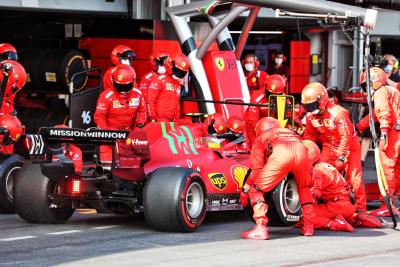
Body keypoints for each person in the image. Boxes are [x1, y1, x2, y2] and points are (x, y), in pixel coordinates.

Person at [240, 117, 315, 239]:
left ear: (260, 129)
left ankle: (260, 227)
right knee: (304, 188)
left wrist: (245, 190)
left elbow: (256, 171)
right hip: (301, 152)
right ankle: (309, 227)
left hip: (282, 154)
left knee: (256, 190)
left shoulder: (261, 139)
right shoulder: (291, 133)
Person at [301, 83, 366, 213]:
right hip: (329, 146)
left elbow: (346, 137)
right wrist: (307, 155)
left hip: (349, 147)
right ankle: (324, 201)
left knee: (354, 179)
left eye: (312, 105)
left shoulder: (338, 113)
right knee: (320, 173)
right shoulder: (310, 117)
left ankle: (360, 209)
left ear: (322, 100)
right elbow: (309, 136)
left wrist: (341, 158)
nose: (310, 109)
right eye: (307, 106)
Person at [365, 67, 400, 217]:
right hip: (397, 131)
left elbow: (383, 113)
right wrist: (360, 125)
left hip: (393, 133)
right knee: (398, 169)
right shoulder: (391, 91)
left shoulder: (380, 93)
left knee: (387, 169)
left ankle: (387, 205)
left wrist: (384, 134)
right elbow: (375, 114)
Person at [94, 64, 146, 162]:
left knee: (134, 164)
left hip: (129, 135)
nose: (123, 89)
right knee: (108, 165)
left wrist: (139, 125)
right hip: (109, 136)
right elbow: (99, 117)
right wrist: (107, 134)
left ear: (133, 81)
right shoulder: (106, 96)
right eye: (119, 85)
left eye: (126, 86)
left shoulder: (138, 94)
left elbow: (142, 111)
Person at [244, 74, 286, 145]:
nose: (273, 97)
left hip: (273, 125)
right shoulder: (257, 98)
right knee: (256, 146)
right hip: (255, 126)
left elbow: (289, 115)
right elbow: (252, 120)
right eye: (270, 94)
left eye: (276, 95)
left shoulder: (284, 98)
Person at [147, 53, 189, 122]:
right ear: (171, 65)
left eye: (182, 73)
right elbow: (150, 101)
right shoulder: (159, 80)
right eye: (178, 71)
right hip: (160, 121)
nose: (179, 75)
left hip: (174, 121)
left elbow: (176, 103)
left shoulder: (177, 84)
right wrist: (153, 118)